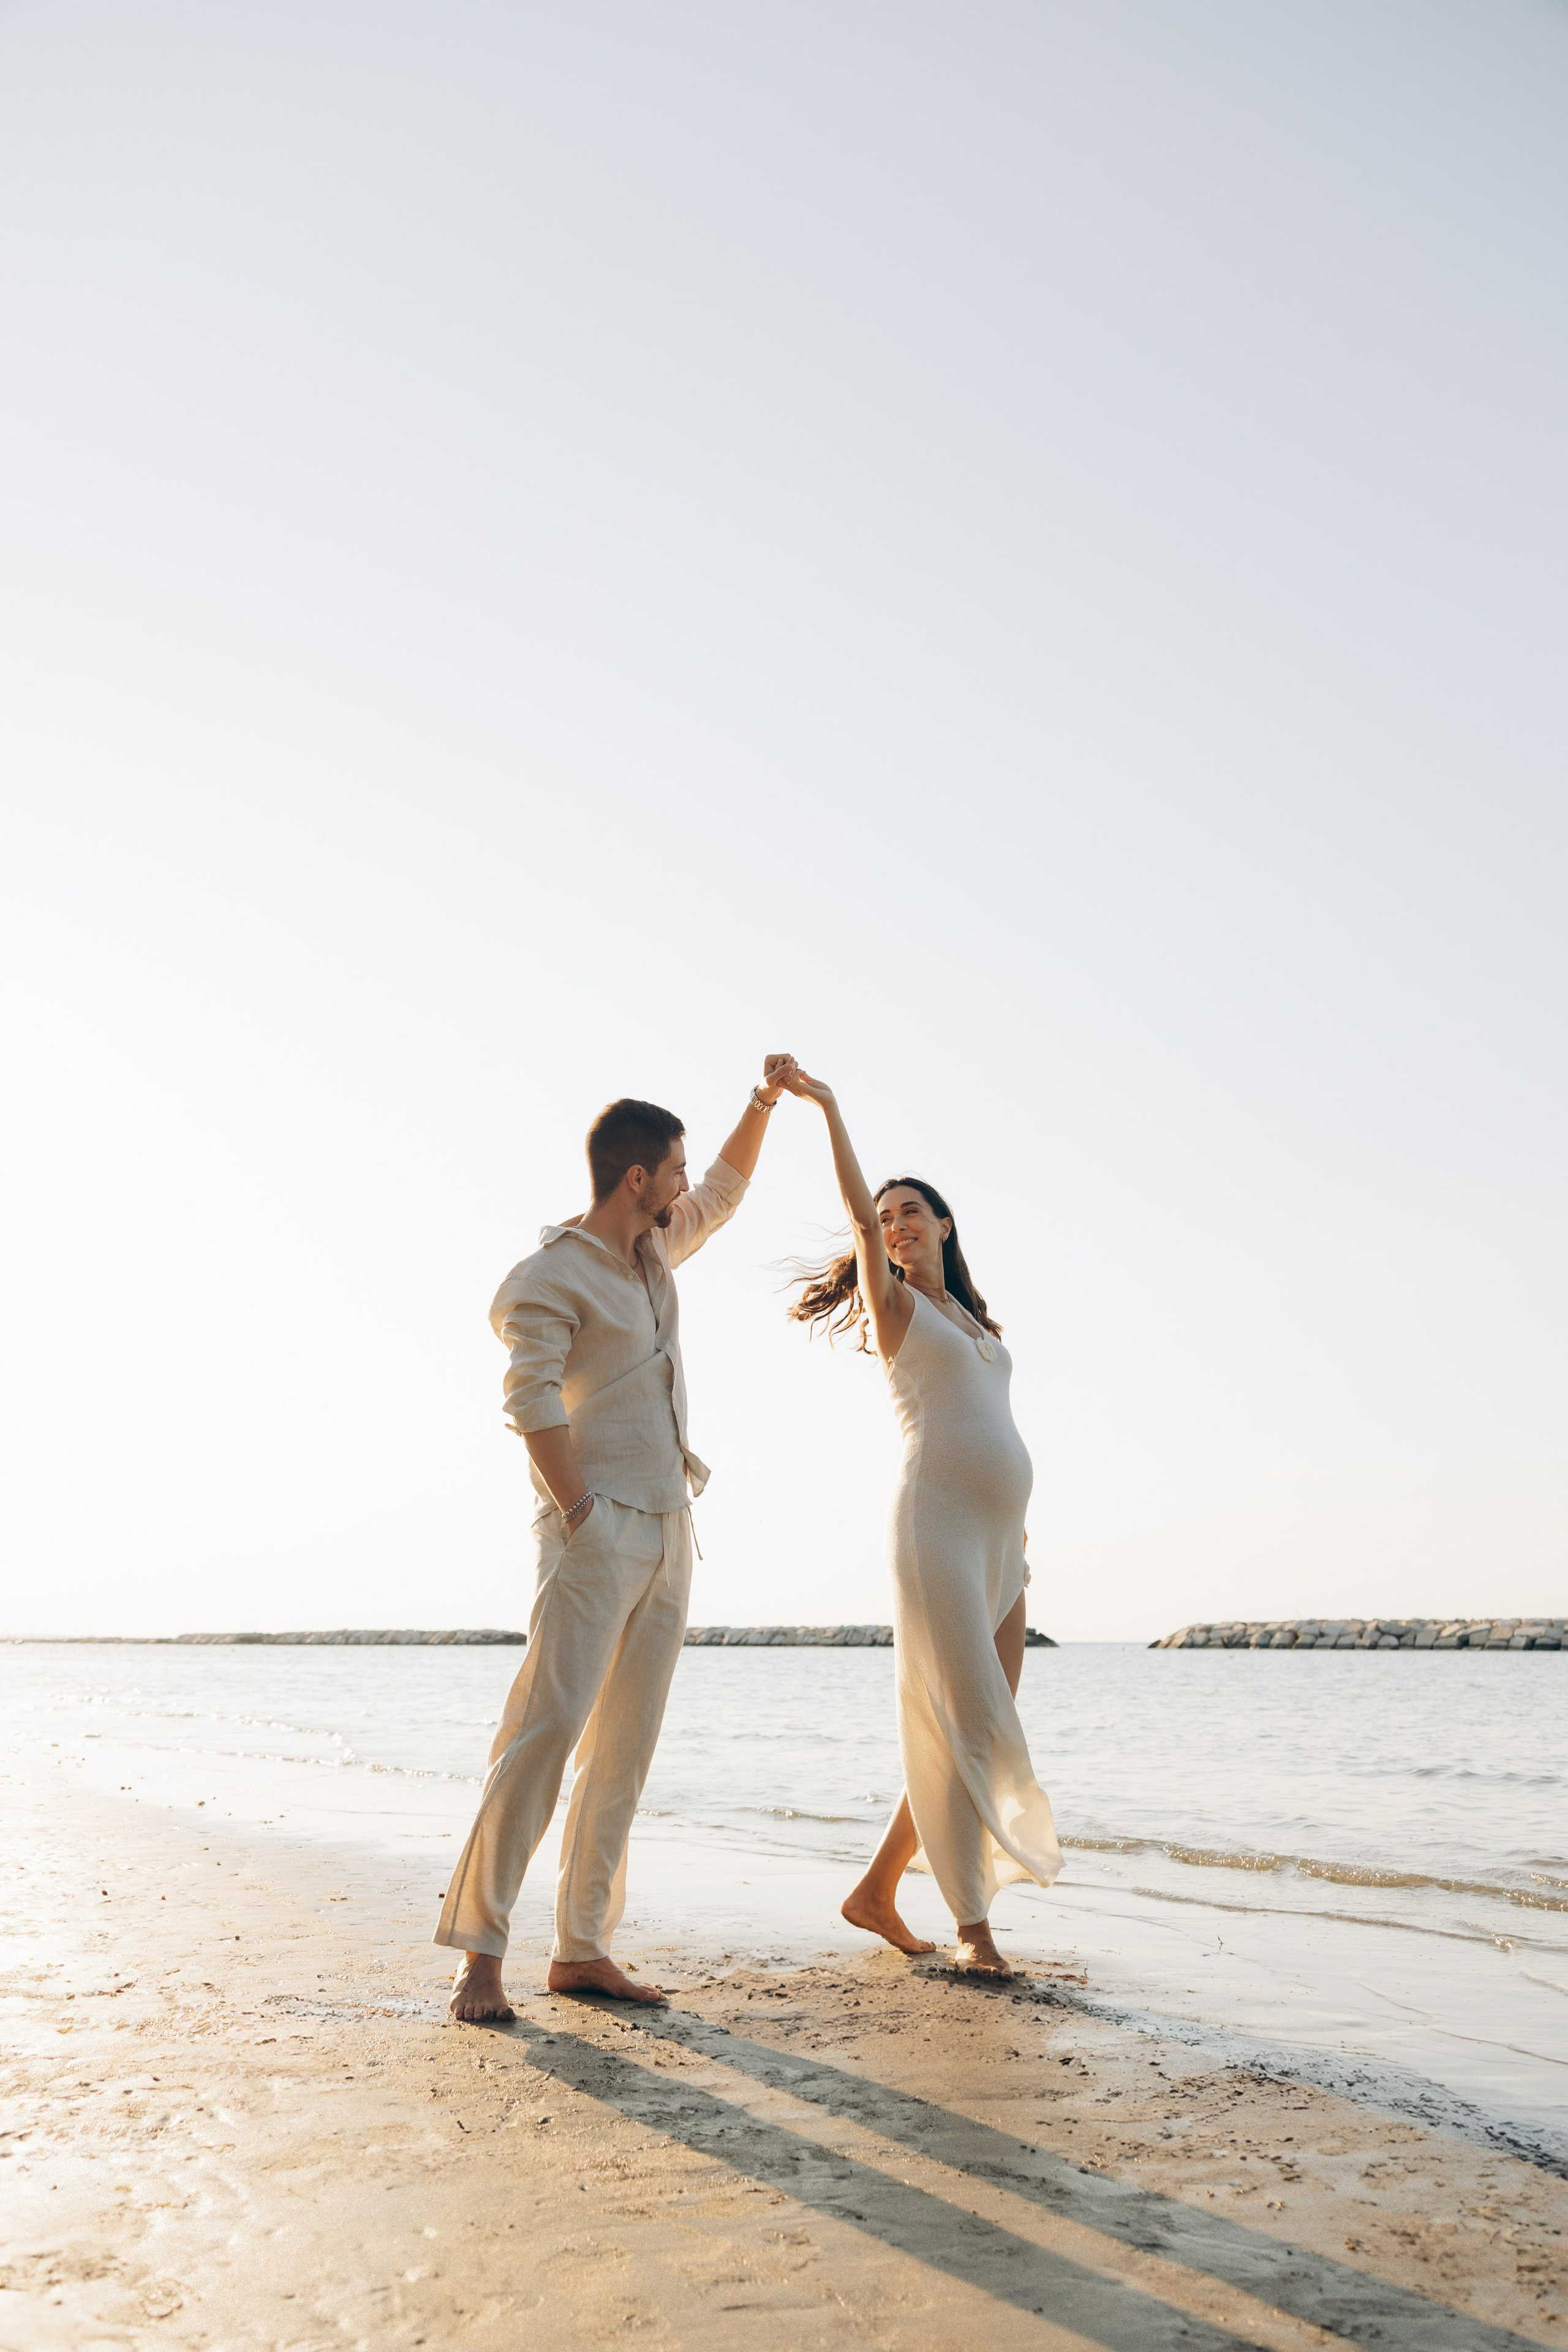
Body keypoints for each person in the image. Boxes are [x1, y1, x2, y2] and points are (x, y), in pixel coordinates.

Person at [438, 1060, 797, 2021]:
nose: (684, 1185)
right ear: (636, 1177)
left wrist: (762, 1104)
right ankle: (480, 1955)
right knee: (545, 1733)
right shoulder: (549, 1275)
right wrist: (579, 1510)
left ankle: (583, 1949)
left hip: (673, 1524)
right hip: (594, 1531)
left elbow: (724, 1189)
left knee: (624, 1749)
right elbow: (528, 1398)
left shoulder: (654, 1251)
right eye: (671, 1170)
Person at [785, 1070, 1060, 1976]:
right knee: (970, 1722)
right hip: (934, 1532)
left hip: (999, 1548)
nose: (896, 1222)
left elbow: (993, 1422)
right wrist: (827, 1107)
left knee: (977, 1720)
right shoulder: (895, 1306)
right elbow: (861, 1230)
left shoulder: (975, 1320)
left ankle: (875, 1889)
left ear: (944, 1224)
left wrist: (1016, 1531)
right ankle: (973, 1930)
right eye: (886, 1214)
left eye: (912, 1210)